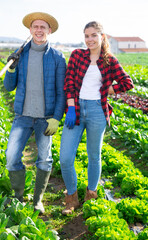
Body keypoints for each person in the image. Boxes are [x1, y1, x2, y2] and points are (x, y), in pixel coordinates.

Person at [60, 21, 134, 215]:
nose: (89, 39)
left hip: (97, 111)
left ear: (102, 36)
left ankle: (91, 196)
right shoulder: (77, 55)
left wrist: (109, 89)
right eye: (86, 35)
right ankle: (72, 198)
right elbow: (68, 81)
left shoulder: (110, 60)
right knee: (65, 158)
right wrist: (70, 107)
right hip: (75, 109)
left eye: (93, 35)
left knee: (94, 156)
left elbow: (127, 82)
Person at [4, 12, 66, 214]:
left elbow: (61, 91)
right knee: (12, 156)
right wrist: (11, 69)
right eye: (35, 27)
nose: (39, 30)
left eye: (43, 27)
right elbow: (8, 86)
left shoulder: (57, 57)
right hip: (23, 115)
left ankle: (38, 200)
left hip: (45, 118)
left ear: (49, 31)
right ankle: (18, 196)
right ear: (30, 30)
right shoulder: (20, 54)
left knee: (45, 159)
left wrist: (56, 117)